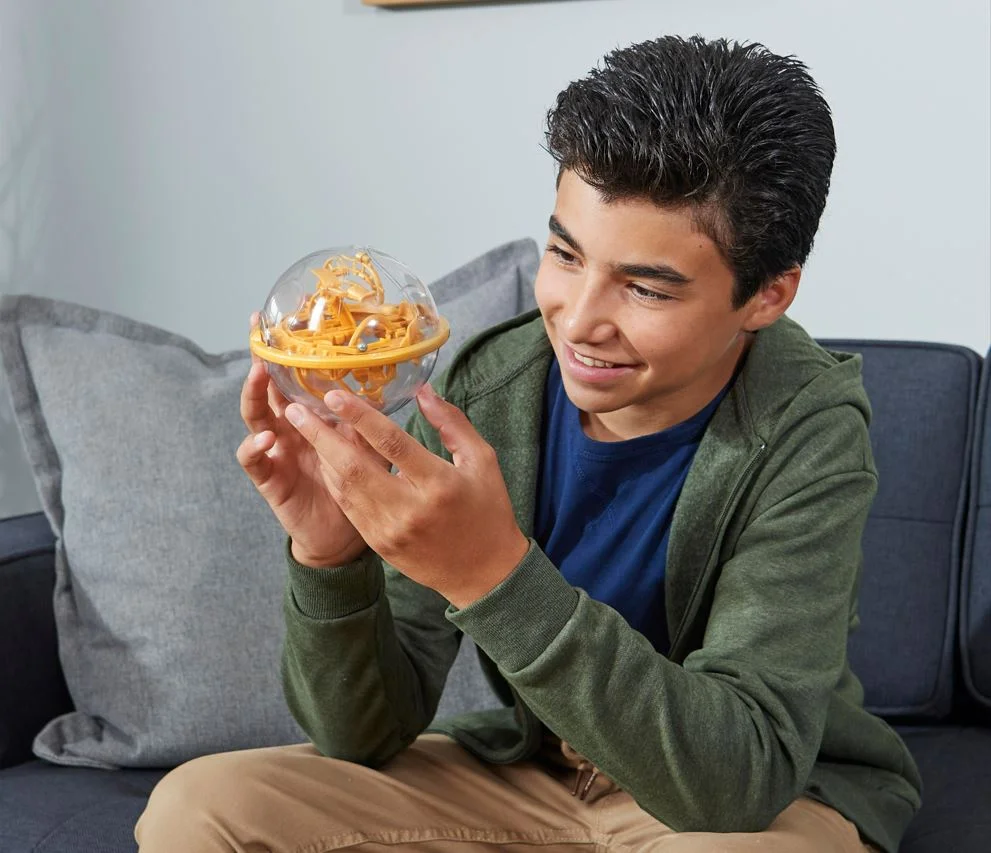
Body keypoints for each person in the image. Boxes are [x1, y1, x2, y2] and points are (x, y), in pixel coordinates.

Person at [135, 35, 922, 852]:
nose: (578, 321)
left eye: (645, 286)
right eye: (564, 254)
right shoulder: (494, 386)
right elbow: (362, 737)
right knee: (201, 804)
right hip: (531, 775)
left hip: (744, 802)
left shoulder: (809, 430)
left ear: (766, 294)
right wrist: (332, 558)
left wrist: (490, 573)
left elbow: (733, 781)